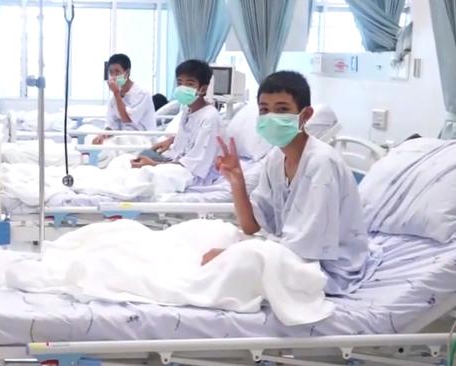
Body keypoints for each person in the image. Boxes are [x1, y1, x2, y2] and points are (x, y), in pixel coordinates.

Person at [202, 71, 381, 296]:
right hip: (289, 253)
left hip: (326, 267)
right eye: (264, 110)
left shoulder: (320, 164)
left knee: (222, 267)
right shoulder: (275, 159)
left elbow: (304, 251)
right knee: (204, 234)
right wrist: (236, 182)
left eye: (282, 109)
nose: (271, 117)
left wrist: (234, 255)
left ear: (305, 115)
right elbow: (251, 226)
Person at [131, 59, 222, 186]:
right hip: (176, 162)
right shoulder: (187, 109)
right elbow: (184, 144)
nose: (182, 87)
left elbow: (195, 164)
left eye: (190, 84)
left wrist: (154, 164)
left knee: (145, 175)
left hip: (191, 174)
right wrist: (171, 141)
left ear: (203, 89)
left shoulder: (210, 118)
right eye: (179, 83)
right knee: (128, 161)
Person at [93, 54, 156, 144]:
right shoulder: (114, 99)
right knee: (95, 141)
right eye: (111, 72)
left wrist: (116, 93)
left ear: (127, 73)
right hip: (124, 137)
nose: (113, 76)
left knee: (109, 149)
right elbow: (111, 124)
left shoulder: (142, 94)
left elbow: (126, 119)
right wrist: (103, 135)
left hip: (143, 139)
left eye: (117, 72)